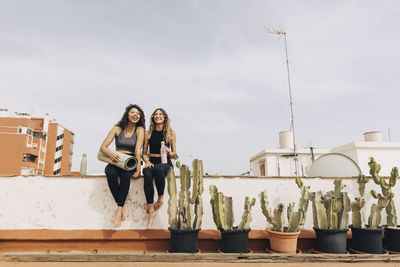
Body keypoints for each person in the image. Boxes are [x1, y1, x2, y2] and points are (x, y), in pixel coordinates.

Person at [100, 104, 145, 227]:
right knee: (110, 173)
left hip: (130, 161)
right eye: (133, 112)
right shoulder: (117, 128)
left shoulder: (140, 130)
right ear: (127, 114)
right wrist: (110, 154)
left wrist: (138, 168)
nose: (135, 115)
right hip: (115, 159)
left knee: (125, 177)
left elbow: (137, 151)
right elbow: (103, 147)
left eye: (138, 113)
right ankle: (122, 207)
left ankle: (118, 211)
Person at [142, 108, 178, 229]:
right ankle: (151, 209)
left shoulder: (170, 133)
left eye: (160, 114)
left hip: (165, 163)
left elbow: (176, 155)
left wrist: (169, 152)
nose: (158, 116)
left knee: (158, 169)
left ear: (165, 117)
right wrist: (146, 161)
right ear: (153, 118)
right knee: (146, 172)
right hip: (152, 161)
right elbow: (144, 152)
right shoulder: (148, 133)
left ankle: (161, 199)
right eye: (156, 114)